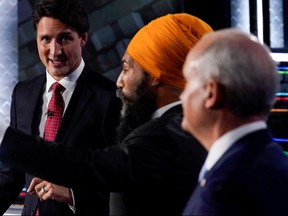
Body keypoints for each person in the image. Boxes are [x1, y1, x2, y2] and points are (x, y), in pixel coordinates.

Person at [0, 13, 212, 215]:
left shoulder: (165, 135)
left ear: (155, 75)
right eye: (45, 39)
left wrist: (4, 137)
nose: (119, 81)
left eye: (127, 68)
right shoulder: (197, 127)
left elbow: (91, 165)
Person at [0, 0, 121, 215]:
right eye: (45, 39)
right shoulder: (22, 93)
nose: (55, 51)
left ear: (83, 38)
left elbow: (122, 182)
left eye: (64, 38)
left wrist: (72, 194)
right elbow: (12, 174)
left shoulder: (111, 98)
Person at [180, 28, 288, 215]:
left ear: (211, 93)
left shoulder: (224, 193)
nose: (182, 96)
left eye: (188, 82)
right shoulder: (271, 161)